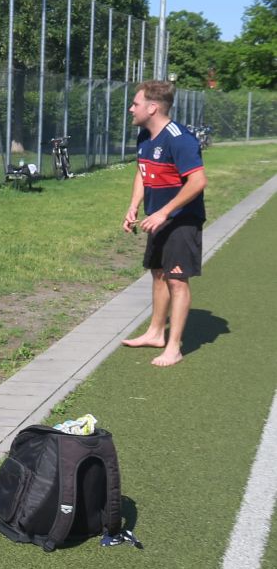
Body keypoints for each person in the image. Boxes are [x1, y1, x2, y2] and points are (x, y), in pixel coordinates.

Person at [120, 80, 207, 367]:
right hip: (157, 219)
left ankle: (174, 347)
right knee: (158, 273)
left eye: (135, 104)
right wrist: (133, 206)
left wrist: (164, 212)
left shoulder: (180, 139)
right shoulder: (144, 137)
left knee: (177, 280)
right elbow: (142, 172)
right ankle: (156, 333)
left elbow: (198, 181)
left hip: (182, 221)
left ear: (152, 108)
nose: (131, 108)